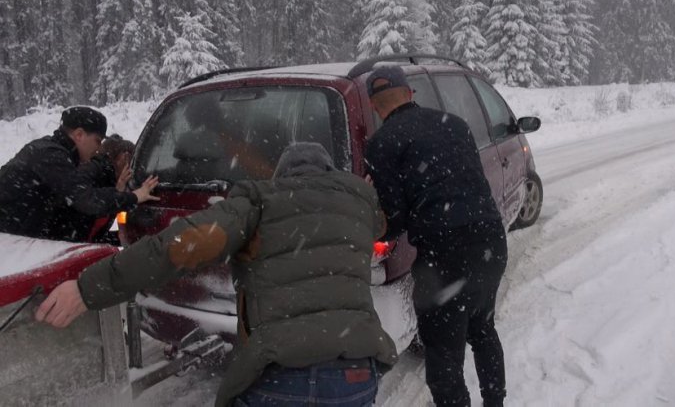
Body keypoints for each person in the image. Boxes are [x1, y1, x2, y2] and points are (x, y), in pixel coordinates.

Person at [35, 142, 398, 407]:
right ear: (332, 175)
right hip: (355, 377)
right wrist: (360, 193)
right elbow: (380, 222)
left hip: (279, 377)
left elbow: (173, 249)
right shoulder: (359, 207)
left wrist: (87, 288)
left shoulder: (258, 203)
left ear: (280, 177)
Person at [364, 66, 508, 407]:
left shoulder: (382, 144)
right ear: (410, 93)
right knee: (483, 329)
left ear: (374, 106)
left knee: (443, 352)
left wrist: (370, 206)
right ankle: (495, 403)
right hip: (489, 239)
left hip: (444, 255)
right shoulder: (454, 124)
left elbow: (394, 220)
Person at [0, 106, 159, 241]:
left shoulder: (52, 152)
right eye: (97, 140)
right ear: (79, 135)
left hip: (15, 237)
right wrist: (135, 196)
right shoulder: (51, 156)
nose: (98, 149)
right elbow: (85, 199)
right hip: (9, 241)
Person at [70, 134, 136, 243]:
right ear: (123, 157)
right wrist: (117, 194)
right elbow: (83, 230)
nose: (132, 169)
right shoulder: (95, 175)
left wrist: (122, 237)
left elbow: (95, 236)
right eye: (131, 161)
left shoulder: (113, 183)